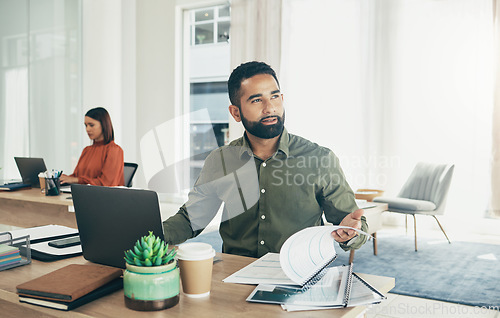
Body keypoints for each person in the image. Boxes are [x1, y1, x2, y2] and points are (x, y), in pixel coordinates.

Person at [163, 61, 368, 258]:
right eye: (257, 100)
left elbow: (354, 225)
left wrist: (351, 232)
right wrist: (148, 234)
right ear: (236, 112)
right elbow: (191, 220)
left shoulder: (320, 159)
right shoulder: (220, 161)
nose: (270, 108)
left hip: (299, 274)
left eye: (275, 97)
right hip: (236, 274)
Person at [60, 107, 124, 186]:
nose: (87, 129)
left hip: (103, 197)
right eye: (86, 125)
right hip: (83, 194)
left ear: (104, 125)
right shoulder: (87, 150)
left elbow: (107, 184)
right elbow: (77, 176)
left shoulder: (114, 150)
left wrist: (75, 180)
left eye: (91, 125)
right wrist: (63, 179)